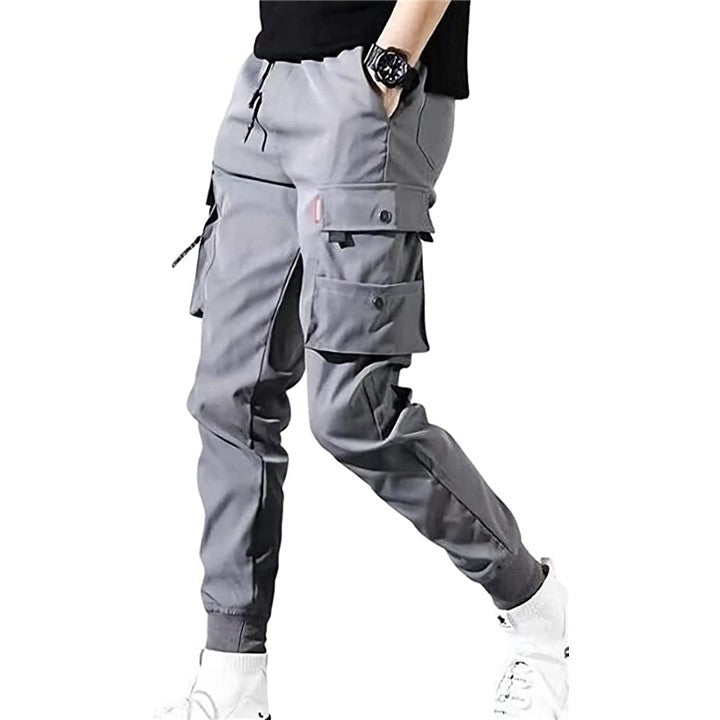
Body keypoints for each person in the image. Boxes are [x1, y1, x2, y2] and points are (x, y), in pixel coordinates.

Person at [157, 2, 568, 718]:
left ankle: (532, 606)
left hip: (371, 82)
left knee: (354, 413)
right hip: (265, 83)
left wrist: (389, 66)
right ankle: (231, 678)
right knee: (229, 397)